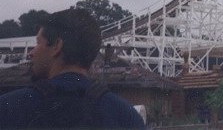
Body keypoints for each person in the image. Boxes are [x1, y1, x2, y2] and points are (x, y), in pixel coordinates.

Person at [0, 8, 145, 129]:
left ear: (57, 46)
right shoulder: (127, 116)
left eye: (38, 42)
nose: (31, 52)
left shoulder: (9, 107)